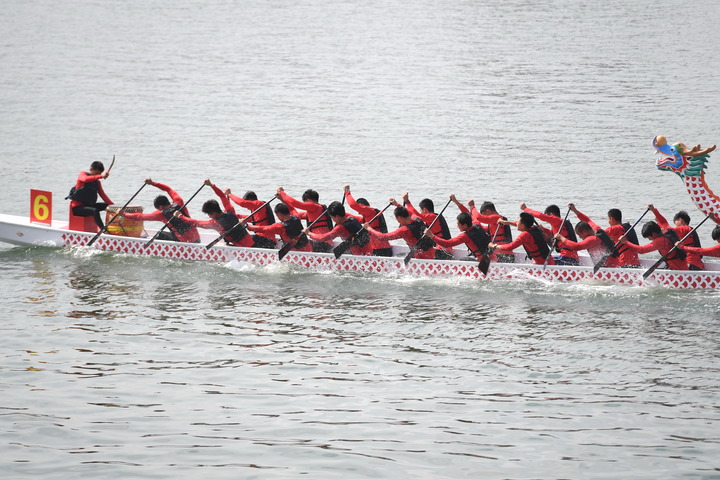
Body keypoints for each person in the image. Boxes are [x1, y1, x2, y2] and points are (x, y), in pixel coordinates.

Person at [174, 179, 256, 248]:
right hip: (251, 244)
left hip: (241, 249)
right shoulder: (230, 211)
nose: (209, 216)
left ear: (213, 213)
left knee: (222, 243)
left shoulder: (215, 223)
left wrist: (180, 216)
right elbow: (222, 196)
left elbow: (195, 223)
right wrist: (211, 185)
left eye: (208, 214)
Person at [121, 178, 200, 243]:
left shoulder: (161, 214)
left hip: (184, 243)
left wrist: (123, 214)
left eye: (157, 208)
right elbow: (168, 189)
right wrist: (153, 183)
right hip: (197, 240)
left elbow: (139, 217)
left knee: (160, 234)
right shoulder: (179, 202)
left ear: (161, 207)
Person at [568, 204, 641, 268]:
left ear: (611, 219)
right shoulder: (626, 227)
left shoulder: (614, 228)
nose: (608, 221)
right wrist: (575, 210)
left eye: (608, 219)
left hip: (624, 264)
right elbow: (588, 221)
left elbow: (602, 234)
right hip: (635, 262)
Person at [364, 204, 436, 260]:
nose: (398, 222)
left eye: (397, 220)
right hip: (431, 253)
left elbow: (382, 237)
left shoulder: (404, 230)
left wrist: (369, 228)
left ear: (400, 218)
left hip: (421, 257)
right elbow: (411, 211)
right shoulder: (418, 218)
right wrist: (397, 204)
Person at [302, 201, 372, 256]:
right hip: (369, 252)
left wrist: (309, 233)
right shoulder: (352, 218)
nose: (333, 220)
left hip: (360, 257)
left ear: (337, 216)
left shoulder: (340, 228)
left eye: (332, 218)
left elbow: (323, 238)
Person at [648, 205, 704, 270]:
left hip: (691, 265)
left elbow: (668, 229)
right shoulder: (688, 230)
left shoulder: (685, 229)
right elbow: (665, 226)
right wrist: (657, 217)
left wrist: (655, 214)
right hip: (696, 264)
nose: (676, 226)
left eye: (675, 223)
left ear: (680, 220)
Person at [277, 187, 333, 252]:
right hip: (326, 244)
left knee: (301, 244)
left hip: (323, 244)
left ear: (309, 200)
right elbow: (294, 214)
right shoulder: (315, 212)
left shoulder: (314, 206)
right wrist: (282, 200)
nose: (305, 204)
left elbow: (294, 203)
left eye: (305, 202)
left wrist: (282, 192)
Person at [343, 185, 393, 256]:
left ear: (362, 205)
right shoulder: (369, 217)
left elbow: (352, 205)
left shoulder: (370, 211)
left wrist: (347, 191)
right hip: (380, 249)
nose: (359, 212)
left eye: (359, 209)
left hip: (380, 250)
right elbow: (352, 217)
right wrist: (339, 212)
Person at [401, 192, 453, 259]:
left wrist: (407, 201)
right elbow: (411, 214)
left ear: (424, 210)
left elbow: (416, 215)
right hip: (440, 249)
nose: (420, 212)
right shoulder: (429, 220)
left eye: (420, 210)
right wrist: (398, 205)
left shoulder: (433, 217)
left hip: (444, 251)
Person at [619, 221, 689, 270]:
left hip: (678, 270)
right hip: (680, 267)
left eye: (649, 238)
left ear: (654, 234)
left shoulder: (661, 241)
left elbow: (641, 250)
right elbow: (663, 222)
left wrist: (626, 242)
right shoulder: (666, 231)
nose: (650, 240)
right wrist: (654, 211)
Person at [489, 212, 554, 265]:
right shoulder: (534, 228)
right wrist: (505, 222)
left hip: (545, 266)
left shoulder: (525, 235)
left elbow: (510, 247)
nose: (517, 222)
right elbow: (516, 224)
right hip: (548, 261)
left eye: (518, 221)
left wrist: (494, 246)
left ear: (522, 226)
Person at [553, 217, 620, 267]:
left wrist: (561, 238)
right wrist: (574, 210)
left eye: (579, 235)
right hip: (613, 265)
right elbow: (587, 220)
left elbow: (576, 247)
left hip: (609, 269)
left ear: (584, 232)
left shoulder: (593, 239)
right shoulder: (596, 229)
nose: (580, 237)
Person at [246, 203, 312, 252]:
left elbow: (263, 229)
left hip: (295, 253)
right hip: (308, 249)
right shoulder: (296, 217)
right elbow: (292, 208)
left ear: (279, 214)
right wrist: (281, 198)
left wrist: (247, 226)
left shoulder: (280, 226)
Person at [425, 210, 490, 260]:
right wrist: (456, 202)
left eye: (458, 224)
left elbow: (447, 244)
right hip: (489, 256)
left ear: (465, 225)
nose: (457, 226)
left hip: (481, 261)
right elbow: (470, 214)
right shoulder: (476, 224)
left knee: (462, 260)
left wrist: (432, 236)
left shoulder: (465, 236)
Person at [69, 160, 113, 228]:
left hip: (89, 206)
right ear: (91, 169)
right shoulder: (82, 174)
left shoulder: (97, 182)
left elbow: (103, 196)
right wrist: (101, 176)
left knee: (107, 206)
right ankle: (103, 229)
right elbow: (85, 179)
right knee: (95, 210)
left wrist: (114, 207)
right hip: (77, 208)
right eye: (97, 173)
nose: (98, 175)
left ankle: (113, 226)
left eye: (99, 174)